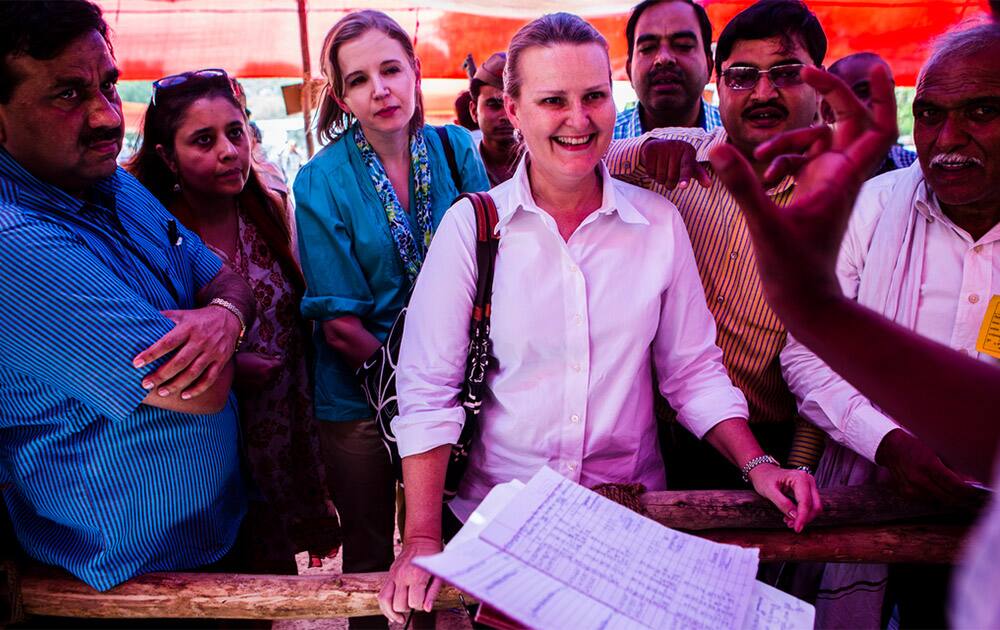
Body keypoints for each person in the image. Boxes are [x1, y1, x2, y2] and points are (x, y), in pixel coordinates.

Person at [378, 12, 822, 623]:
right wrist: (422, 537)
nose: (578, 120)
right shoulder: (471, 228)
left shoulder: (658, 224)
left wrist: (760, 465)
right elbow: (427, 391)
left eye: (593, 97)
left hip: (630, 517)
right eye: (552, 100)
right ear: (512, 108)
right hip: (500, 519)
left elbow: (691, 371)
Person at [707, 44, 1000, 630]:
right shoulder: (872, 205)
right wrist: (890, 443)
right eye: (932, 113)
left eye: (980, 112)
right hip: (881, 495)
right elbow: (807, 356)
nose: (947, 139)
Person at [0, 0, 254, 591]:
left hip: (212, 534)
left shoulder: (111, 182)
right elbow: (204, 388)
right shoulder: (15, 245)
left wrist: (222, 317)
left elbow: (223, 277)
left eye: (109, 86)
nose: (108, 117)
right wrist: (231, 334)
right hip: (124, 583)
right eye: (67, 94)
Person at [293, 10, 488, 626]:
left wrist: (447, 392)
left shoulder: (458, 149)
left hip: (458, 386)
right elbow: (339, 323)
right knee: (374, 553)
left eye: (391, 70)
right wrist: (417, 400)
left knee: (444, 546)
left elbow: (493, 264)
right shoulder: (319, 179)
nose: (380, 90)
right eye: (358, 80)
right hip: (358, 395)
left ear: (415, 72)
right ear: (342, 96)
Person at [606, 0, 830, 490]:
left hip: (772, 442)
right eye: (743, 76)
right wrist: (643, 150)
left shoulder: (848, 202)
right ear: (719, 81)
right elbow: (578, 151)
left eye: (786, 73)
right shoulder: (676, 157)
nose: (763, 93)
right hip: (654, 438)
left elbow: (830, 358)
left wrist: (798, 466)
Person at [126, 69, 341, 573]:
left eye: (235, 132)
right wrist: (230, 367)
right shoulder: (153, 236)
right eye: (204, 140)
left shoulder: (268, 212)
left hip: (284, 433)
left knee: (269, 582)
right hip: (205, 455)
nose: (229, 150)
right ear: (165, 155)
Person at [614, 0, 722, 139]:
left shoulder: (737, 140)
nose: (664, 58)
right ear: (629, 70)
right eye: (647, 48)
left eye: (683, 45)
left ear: (709, 65)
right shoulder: (600, 148)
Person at [826, 52, 917, 176]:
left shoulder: (915, 167)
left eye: (888, 92)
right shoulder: (810, 175)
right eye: (863, 92)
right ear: (828, 112)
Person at [468, 52, 518, 185]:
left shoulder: (547, 167)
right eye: (494, 105)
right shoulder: (459, 170)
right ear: (474, 111)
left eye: (514, 106)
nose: (505, 116)